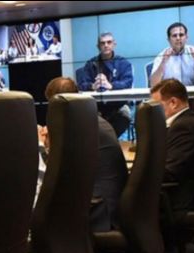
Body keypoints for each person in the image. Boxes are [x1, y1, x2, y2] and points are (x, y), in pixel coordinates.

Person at [44, 77, 128, 232]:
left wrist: (47, 145)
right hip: (111, 206)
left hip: (101, 212)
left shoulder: (76, 126)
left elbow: (58, 172)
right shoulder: (91, 120)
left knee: (41, 217)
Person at [149, 79, 194, 217]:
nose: (154, 112)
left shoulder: (184, 128)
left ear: (173, 102)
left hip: (177, 199)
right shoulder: (187, 121)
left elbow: (169, 173)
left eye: (157, 106)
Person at [78, 32, 134, 137]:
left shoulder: (123, 63)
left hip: (118, 106)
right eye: (102, 43)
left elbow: (128, 82)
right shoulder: (90, 64)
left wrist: (111, 86)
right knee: (85, 120)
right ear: (98, 46)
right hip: (97, 108)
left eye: (109, 42)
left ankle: (110, 141)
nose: (106, 45)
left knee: (125, 115)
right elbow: (81, 84)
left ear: (114, 44)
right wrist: (92, 86)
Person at [150, 22, 194, 87]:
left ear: (186, 37)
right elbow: (154, 85)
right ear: (169, 40)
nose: (178, 38)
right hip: (169, 95)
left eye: (181, 35)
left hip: (191, 95)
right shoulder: (162, 56)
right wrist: (162, 63)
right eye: (174, 35)